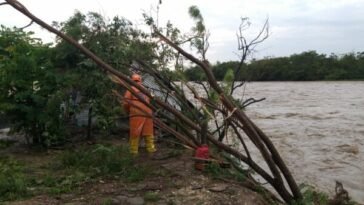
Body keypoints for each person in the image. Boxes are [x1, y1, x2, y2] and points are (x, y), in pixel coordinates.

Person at [123, 73, 156, 155]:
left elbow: (125, 102)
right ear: (140, 80)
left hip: (136, 111)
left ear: (131, 80)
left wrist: (127, 111)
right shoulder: (145, 89)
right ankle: (151, 149)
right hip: (147, 111)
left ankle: (134, 151)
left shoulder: (130, 89)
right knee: (148, 131)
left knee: (135, 131)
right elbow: (151, 98)